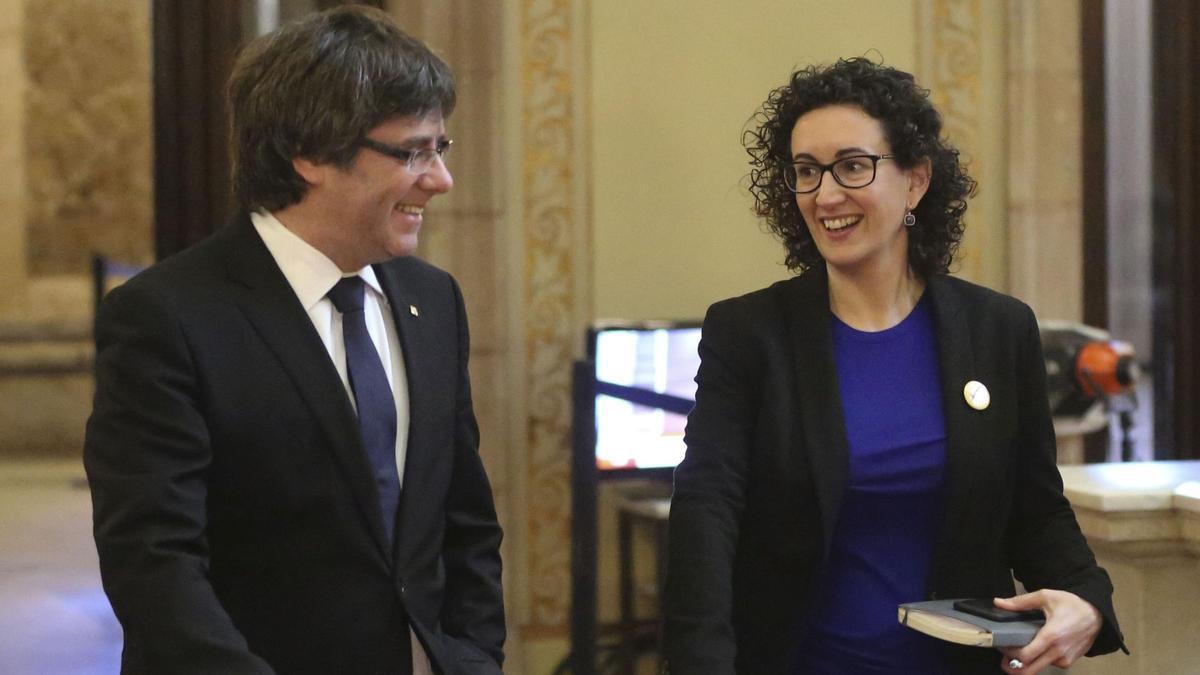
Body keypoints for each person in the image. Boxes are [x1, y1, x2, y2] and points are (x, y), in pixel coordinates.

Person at [663, 58, 1125, 674]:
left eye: (853, 166)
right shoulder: (749, 334)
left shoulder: (998, 329)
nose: (826, 195)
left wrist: (1089, 605)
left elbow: (1036, 510)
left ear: (915, 181)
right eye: (806, 172)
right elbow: (706, 509)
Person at [84, 7, 504, 674]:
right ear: (310, 154)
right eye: (412, 151)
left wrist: (475, 657)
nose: (440, 179)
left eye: (440, 148)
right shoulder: (166, 317)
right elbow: (155, 563)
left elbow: (465, 521)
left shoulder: (434, 300)